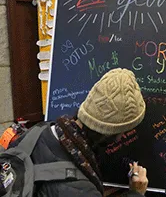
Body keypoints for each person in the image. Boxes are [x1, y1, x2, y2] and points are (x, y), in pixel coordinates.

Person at [14, 68, 148, 197]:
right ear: (108, 133)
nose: (121, 138)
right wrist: (136, 193)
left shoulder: (38, 131)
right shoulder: (80, 190)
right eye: (122, 132)